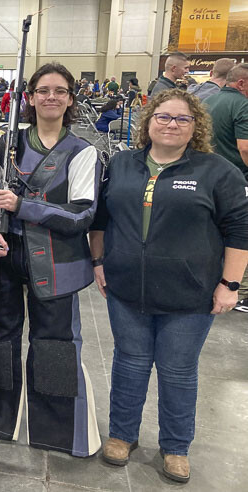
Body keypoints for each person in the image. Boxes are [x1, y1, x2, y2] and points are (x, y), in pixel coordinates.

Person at [89, 89, 248, 482]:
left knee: (178, 371)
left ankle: (176, 446)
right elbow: (100, 219)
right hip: (127, 289)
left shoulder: (216, 171)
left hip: (189, 293)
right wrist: (98, 262)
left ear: (196, 126)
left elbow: (240, 231)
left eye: (182, 119)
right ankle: (122, 435)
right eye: (163, 117)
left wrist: (230, 283)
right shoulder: (123, 164)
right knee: (129, 362)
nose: (171, 124)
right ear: (148, 121)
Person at [0, 62, 102, 458]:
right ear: (29, 97)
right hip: (4, 257)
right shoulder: (4, 143)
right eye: (43, 90)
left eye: (60, 91)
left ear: (70, 99)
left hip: (58, 263)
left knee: (55, 345)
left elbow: (82, 214)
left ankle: (56, 429)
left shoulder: (83, 152)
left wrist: (23, 205)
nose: (51, 97)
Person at [204, 63, 248, 312]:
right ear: (241, 83)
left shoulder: (209, 101)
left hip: (207, 178)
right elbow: (245, 147)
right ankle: (239, 290)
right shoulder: (243, 105)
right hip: (237, 180)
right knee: (239, 233)